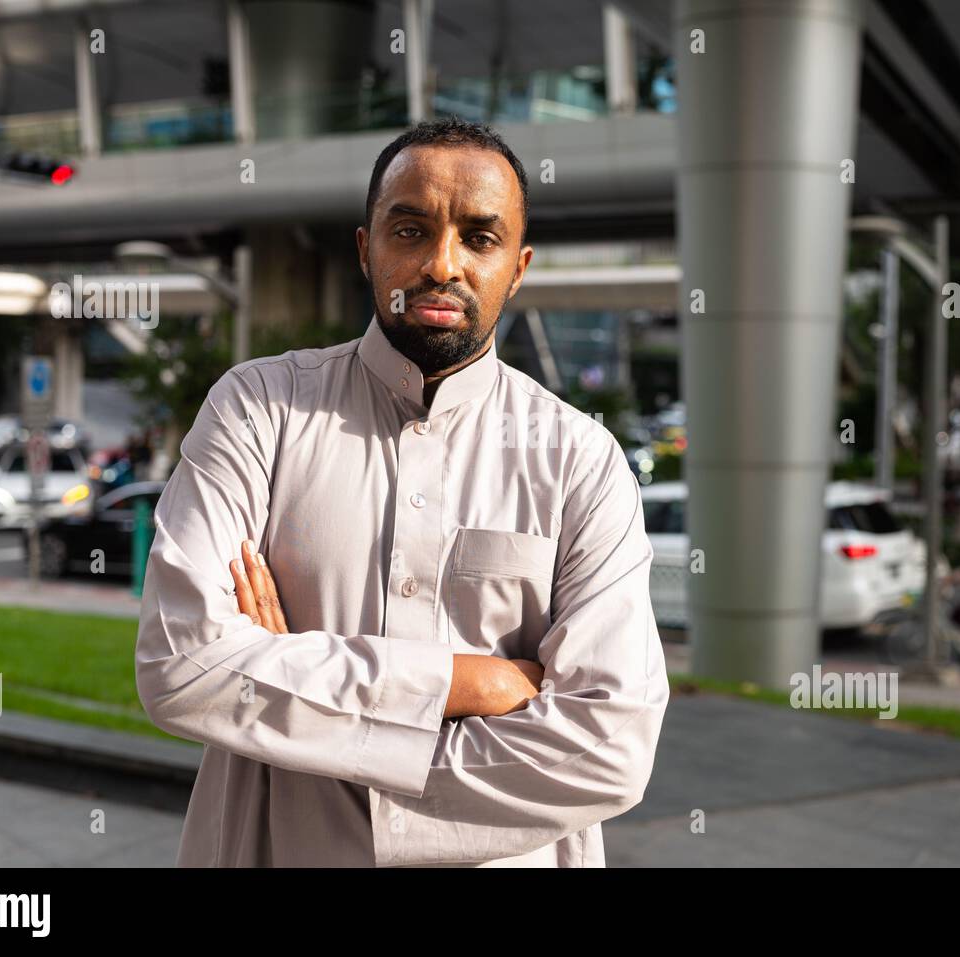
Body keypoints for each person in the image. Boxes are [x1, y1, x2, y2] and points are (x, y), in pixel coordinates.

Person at [134, 117, 669, 868]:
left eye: (479, 239)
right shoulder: (259, 410)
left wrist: (295, 677)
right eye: (410, 230)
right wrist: (467, 681)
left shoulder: (579, 460)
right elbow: (182, 667)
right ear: (366, 248)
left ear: (518, 268)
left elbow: (609, 748)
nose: (440, 264)